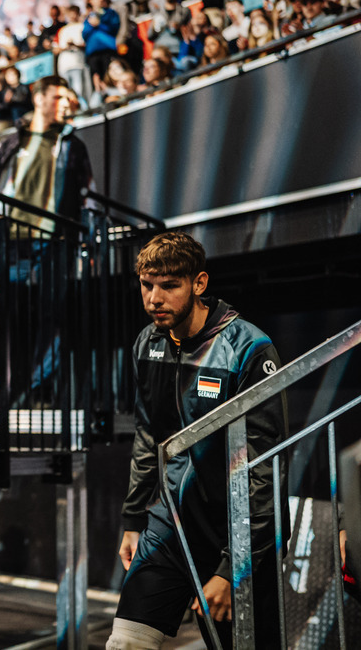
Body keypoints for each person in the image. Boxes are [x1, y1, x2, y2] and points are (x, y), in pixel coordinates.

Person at [106, 232, 287, 650]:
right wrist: (134, 520)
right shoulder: (147, 343)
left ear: (199, 284)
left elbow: (265, 467)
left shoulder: (247, 348)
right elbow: (148, 436)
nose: (154, 298)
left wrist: (232, 567)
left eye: (169, 286)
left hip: (235, 535)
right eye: (147, 285)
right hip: (170, 527)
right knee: (124, 644)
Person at [0, 75, 93, 232]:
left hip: (56, 241)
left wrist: (89, 243)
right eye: (58, 97)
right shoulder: (12, 143)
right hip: (12, 239)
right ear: (39, 99)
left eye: (67, 98)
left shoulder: (72, 145)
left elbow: (87, 197)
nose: (66, 104)